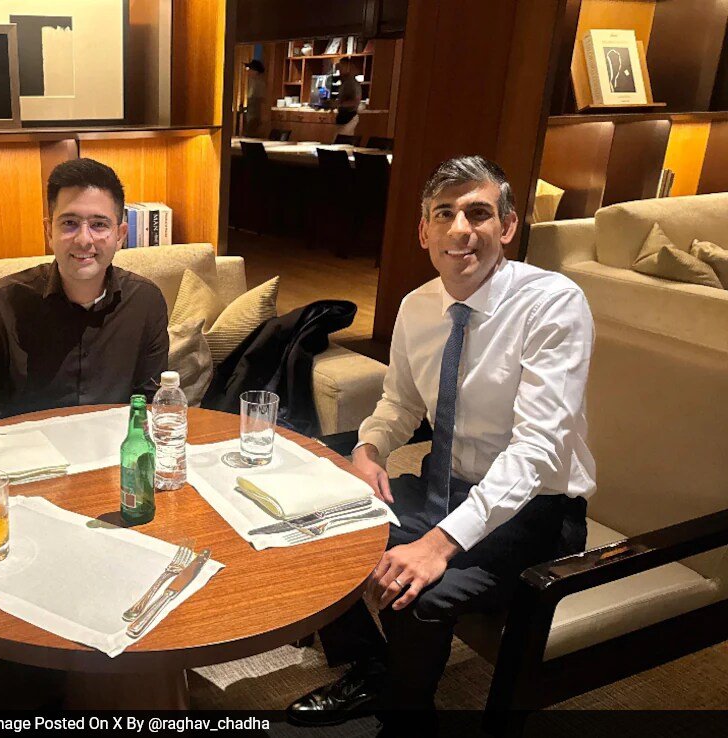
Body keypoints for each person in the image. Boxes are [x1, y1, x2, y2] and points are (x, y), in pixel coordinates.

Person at [286, 156, 595, 729]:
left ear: (507, 226)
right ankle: (373, 669)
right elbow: (400, 404)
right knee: (313, 525)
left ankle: (408, 715)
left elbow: (537, 450)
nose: (460, 229)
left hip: (536, 511)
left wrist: (439, 544)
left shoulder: (553, 303)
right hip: (443, 486)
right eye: (444, 213)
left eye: (478, 213)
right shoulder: (418, 306)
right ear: (423, 231)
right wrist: (368, 452)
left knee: (416, 592)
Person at [0, 158, 169, 429]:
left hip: (113, 446)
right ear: (49, 231)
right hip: (26, 449)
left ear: (120, 235)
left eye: (99, 224)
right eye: (69, 223)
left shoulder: (146, 302)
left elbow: (151, 405)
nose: (84, 239)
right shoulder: (1, 303)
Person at [243, 59, 267, 138]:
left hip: (255, 116)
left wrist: (262, 118)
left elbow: (262, 102)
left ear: (256, 72)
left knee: (251, 136)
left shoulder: (259, 84)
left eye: (250, 69)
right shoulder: (251, 83)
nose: (248, 71)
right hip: (249, 115)